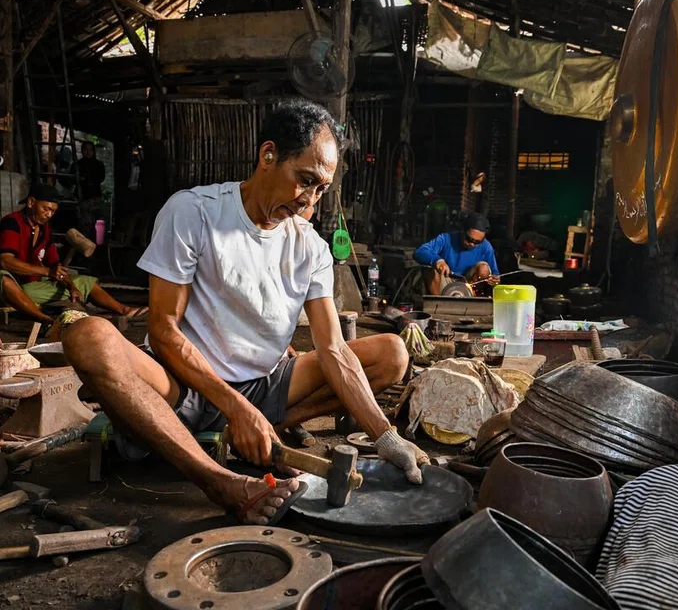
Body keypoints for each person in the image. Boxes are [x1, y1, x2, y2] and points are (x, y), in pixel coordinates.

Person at [60, 98, 428, 525]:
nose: (311, 200)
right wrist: (235, 408)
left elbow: (334, 350)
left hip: (266, 387)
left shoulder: (310, 247)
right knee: (88, 336)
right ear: (268, 155)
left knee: (391, 353)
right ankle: (218, 478)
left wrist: (386, 437)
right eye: (305, 180)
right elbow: (162, 331)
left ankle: (259, 436)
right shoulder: (194, 212)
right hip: (185, 384)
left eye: (322, 188)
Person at [0, 184, 147, 325]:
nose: (49, 215)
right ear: (31, 203)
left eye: (53, 211)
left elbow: (56, 265)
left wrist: (71, 286)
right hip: (0, 290)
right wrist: (46, 272)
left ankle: (124, 309)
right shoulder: (12, 223)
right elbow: (6, 262)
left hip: (29, 289)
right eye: (46, 209)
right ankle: (46, 320)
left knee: (84, 281)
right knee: (2, 277)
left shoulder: (45, 229)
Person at [414, 212, 500, 295]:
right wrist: (437, 261)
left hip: (468, 286)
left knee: (484, 268)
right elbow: (419, 252)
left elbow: (495, 273)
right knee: (429, 267)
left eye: (477, 242)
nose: (472, 244)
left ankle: (473, 303)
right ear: (463, 230)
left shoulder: (486, 246)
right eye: (469, 239)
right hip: (445, 283)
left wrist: (494, 279)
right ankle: (438, 305)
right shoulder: (446, 239)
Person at [76, 142, 105, 236]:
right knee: (84, 224)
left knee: (95, 223)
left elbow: (100, 178)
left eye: (90, 150)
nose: (88, 152)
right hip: (82, 197)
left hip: (94, 197)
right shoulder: (78, 165)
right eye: (86, 149)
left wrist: (88, 179)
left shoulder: (98, 165)